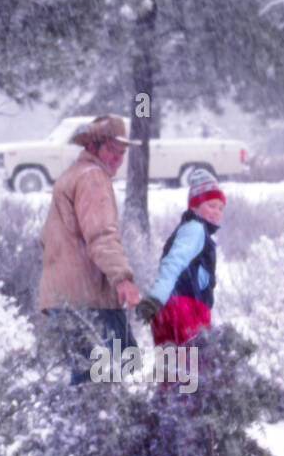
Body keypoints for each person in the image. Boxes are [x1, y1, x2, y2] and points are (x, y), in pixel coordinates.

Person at [38, 114, 142, 384]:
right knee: (124, 372)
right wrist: (123, 278)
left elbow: (45, 240)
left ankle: (79, 425)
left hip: (64, 300)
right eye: (112, 150)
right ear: (93, 146)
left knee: (88, 378)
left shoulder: (71, 176)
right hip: (90, 301)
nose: (118, 158)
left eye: (122, 153)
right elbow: (101, 235)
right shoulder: (93, 178)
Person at [136, 169, 226, 352]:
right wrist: (156, 297)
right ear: (194, 207)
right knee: (192, 372)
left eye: (220, 207)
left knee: (171, 373)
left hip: (170, 310)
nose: (216, 212)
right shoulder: (196, 229)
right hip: (186, 309)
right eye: (211, 205)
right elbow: (173, 263)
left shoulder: (189, 229)